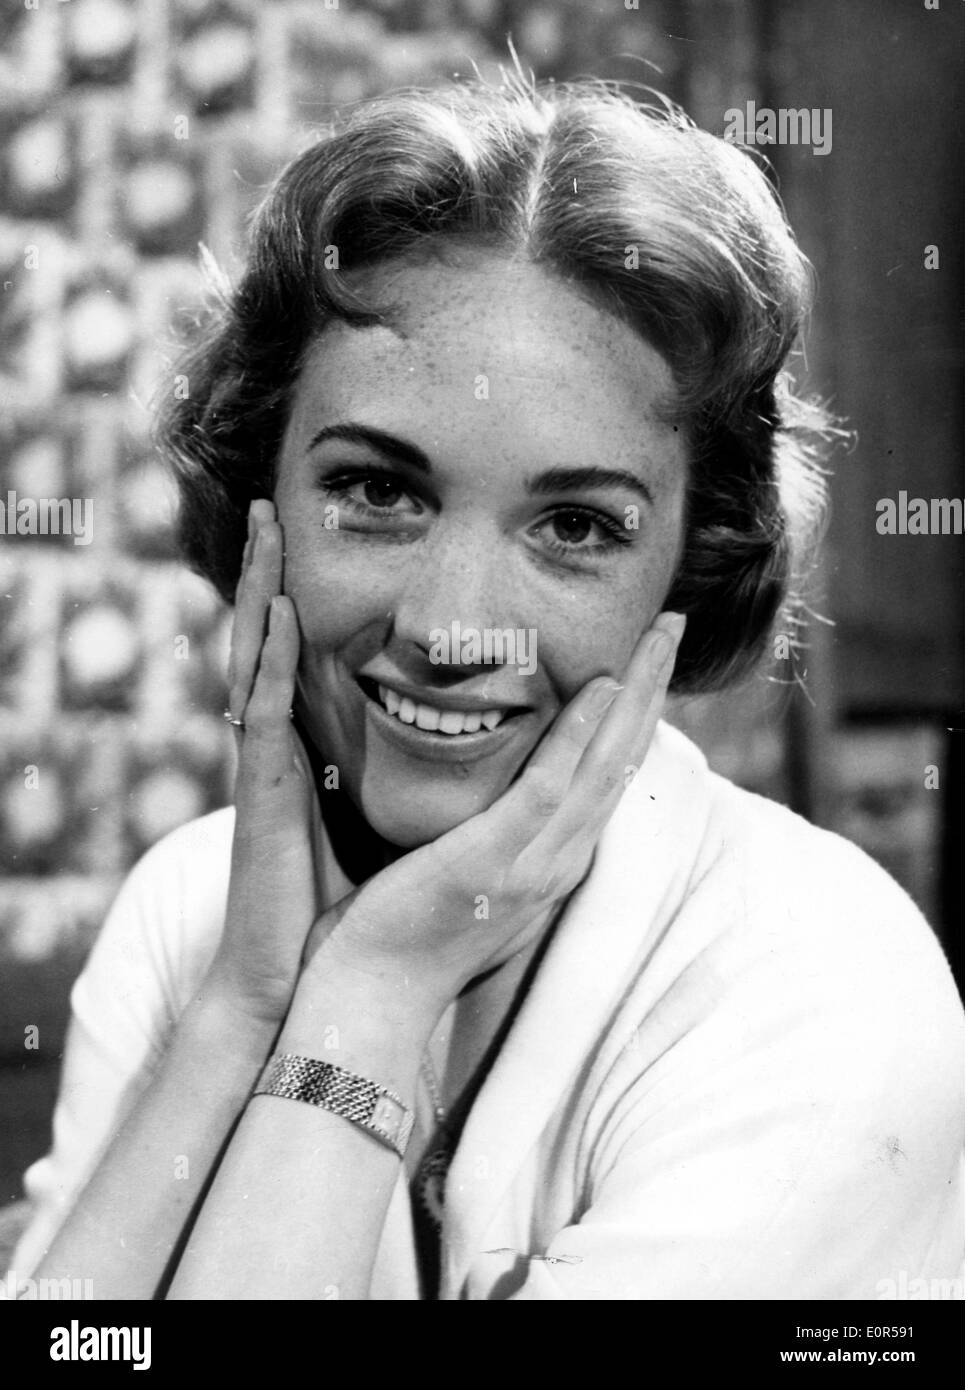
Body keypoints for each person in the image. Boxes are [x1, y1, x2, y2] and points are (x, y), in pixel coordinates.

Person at [9, 74, 965, 1301]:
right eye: (378, 492)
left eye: (573, 524)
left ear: (694, 563)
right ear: (261, 502)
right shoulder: (189, 909)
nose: (452, 630)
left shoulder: (814, 976)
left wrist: (367, 985)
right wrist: (241, 1012)